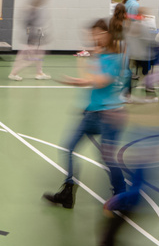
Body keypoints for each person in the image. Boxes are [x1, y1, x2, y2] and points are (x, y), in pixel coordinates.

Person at [43, 19, 127, 210]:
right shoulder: (101, 56)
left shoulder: (115, 58)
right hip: (91, 114)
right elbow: (92, 81)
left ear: (108, 34)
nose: (94, 38)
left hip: (110, 115)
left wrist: (93, 62)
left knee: (107, 157)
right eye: (92, 35)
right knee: (68, 148)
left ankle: (121, 195)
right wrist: (77, 82)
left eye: (98, 34)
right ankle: (68, 192)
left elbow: (101, 82)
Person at [8, 0, 49, 82]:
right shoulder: (32, 11)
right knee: (30, 58)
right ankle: (13, 73)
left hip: (34, 38)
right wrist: (31, 39)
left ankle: (39, 73)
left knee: (39, 55)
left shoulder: (35, 9)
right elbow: (29, 26)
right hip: (31, 39)